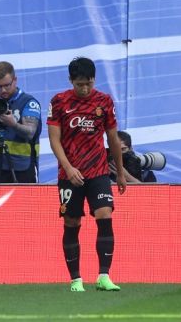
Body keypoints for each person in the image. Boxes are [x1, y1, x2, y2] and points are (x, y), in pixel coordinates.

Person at [47, 57, 126, 292]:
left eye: (88, 84)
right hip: (69, 174)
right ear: (71, 80)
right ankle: (76, 280)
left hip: (98, 171)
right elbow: (54, 139)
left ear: (94, 80)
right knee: (72, 222)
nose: (85, 89)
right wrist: (68, 167)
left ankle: (104, 276)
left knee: (105, 215)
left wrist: (120, 173)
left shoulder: (104, 101)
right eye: (80, 84)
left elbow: (112, 138)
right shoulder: (59, 102)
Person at [0, 61, 42, 183]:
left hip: (22, 166)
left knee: (22, 203)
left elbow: (30, 133)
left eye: (7, 85)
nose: (3, 90)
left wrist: (14, 124)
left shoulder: (29, 102)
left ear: (15, 80)